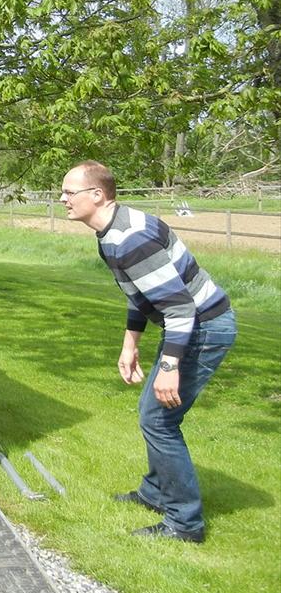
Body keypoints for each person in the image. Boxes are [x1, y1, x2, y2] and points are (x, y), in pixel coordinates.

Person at [60, 160, 235, 544]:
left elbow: (179, 309)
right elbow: (140, 292)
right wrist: (130, 342)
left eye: (69, 192)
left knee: (159, 421)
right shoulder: (114, 231)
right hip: (192, 324)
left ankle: (185, 523)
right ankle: (155, 494)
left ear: (97, 194)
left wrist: (170, 366)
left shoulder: (130, 240)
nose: (63, 199)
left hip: (204, 327)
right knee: (151, 414)